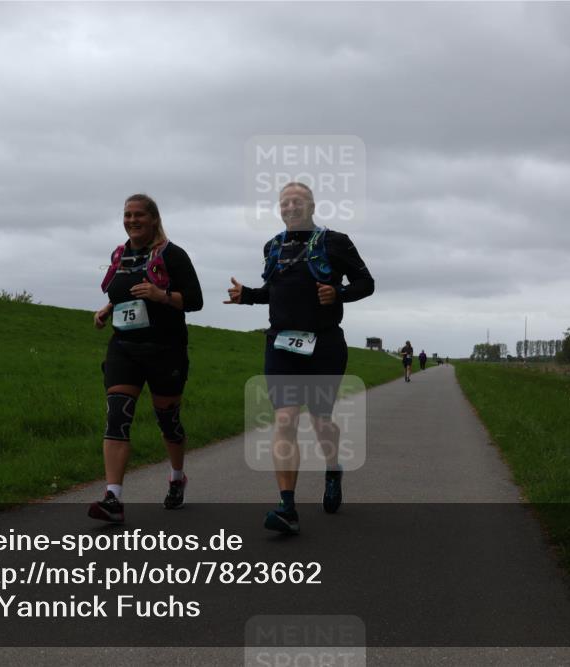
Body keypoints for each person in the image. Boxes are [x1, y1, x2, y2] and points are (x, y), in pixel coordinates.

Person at [226, 182, 374, 534]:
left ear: (311, 206)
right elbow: (275, 291)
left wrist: (338, 292)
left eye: (297, 201)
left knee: (321, 422)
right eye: (284, 202)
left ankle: (333, 468)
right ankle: (287, 507)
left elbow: (366, 283)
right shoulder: (273, 246)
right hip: (281, 345)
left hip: (324, 345)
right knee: (285, 419)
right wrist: (247, 295)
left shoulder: (335, 241)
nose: (290, 207)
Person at [88, 194, 203, 524]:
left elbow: (195, 300)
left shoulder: (173, 254)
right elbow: (123, 293)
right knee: (117, 416)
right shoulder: (120, 254)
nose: (132, 220)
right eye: (127, 215)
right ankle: (113, 498)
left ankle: (177, 478)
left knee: (168, 421)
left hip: (165, 349)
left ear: (154, 218)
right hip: (124, 347)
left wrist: (160, 295)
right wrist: (108, 309)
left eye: (139, 215)